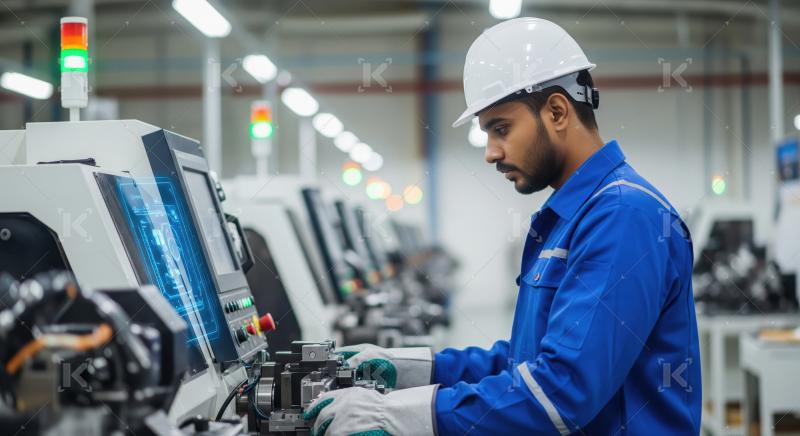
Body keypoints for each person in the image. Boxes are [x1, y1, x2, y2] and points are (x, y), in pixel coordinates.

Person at [305, 17, 701, 435]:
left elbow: (561, 392)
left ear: (557, 111)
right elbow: (527, 361)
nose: (490, 153)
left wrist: (404, 415)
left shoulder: (623, 215)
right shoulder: (574, 217)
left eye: (501, 128)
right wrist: (411, 368)